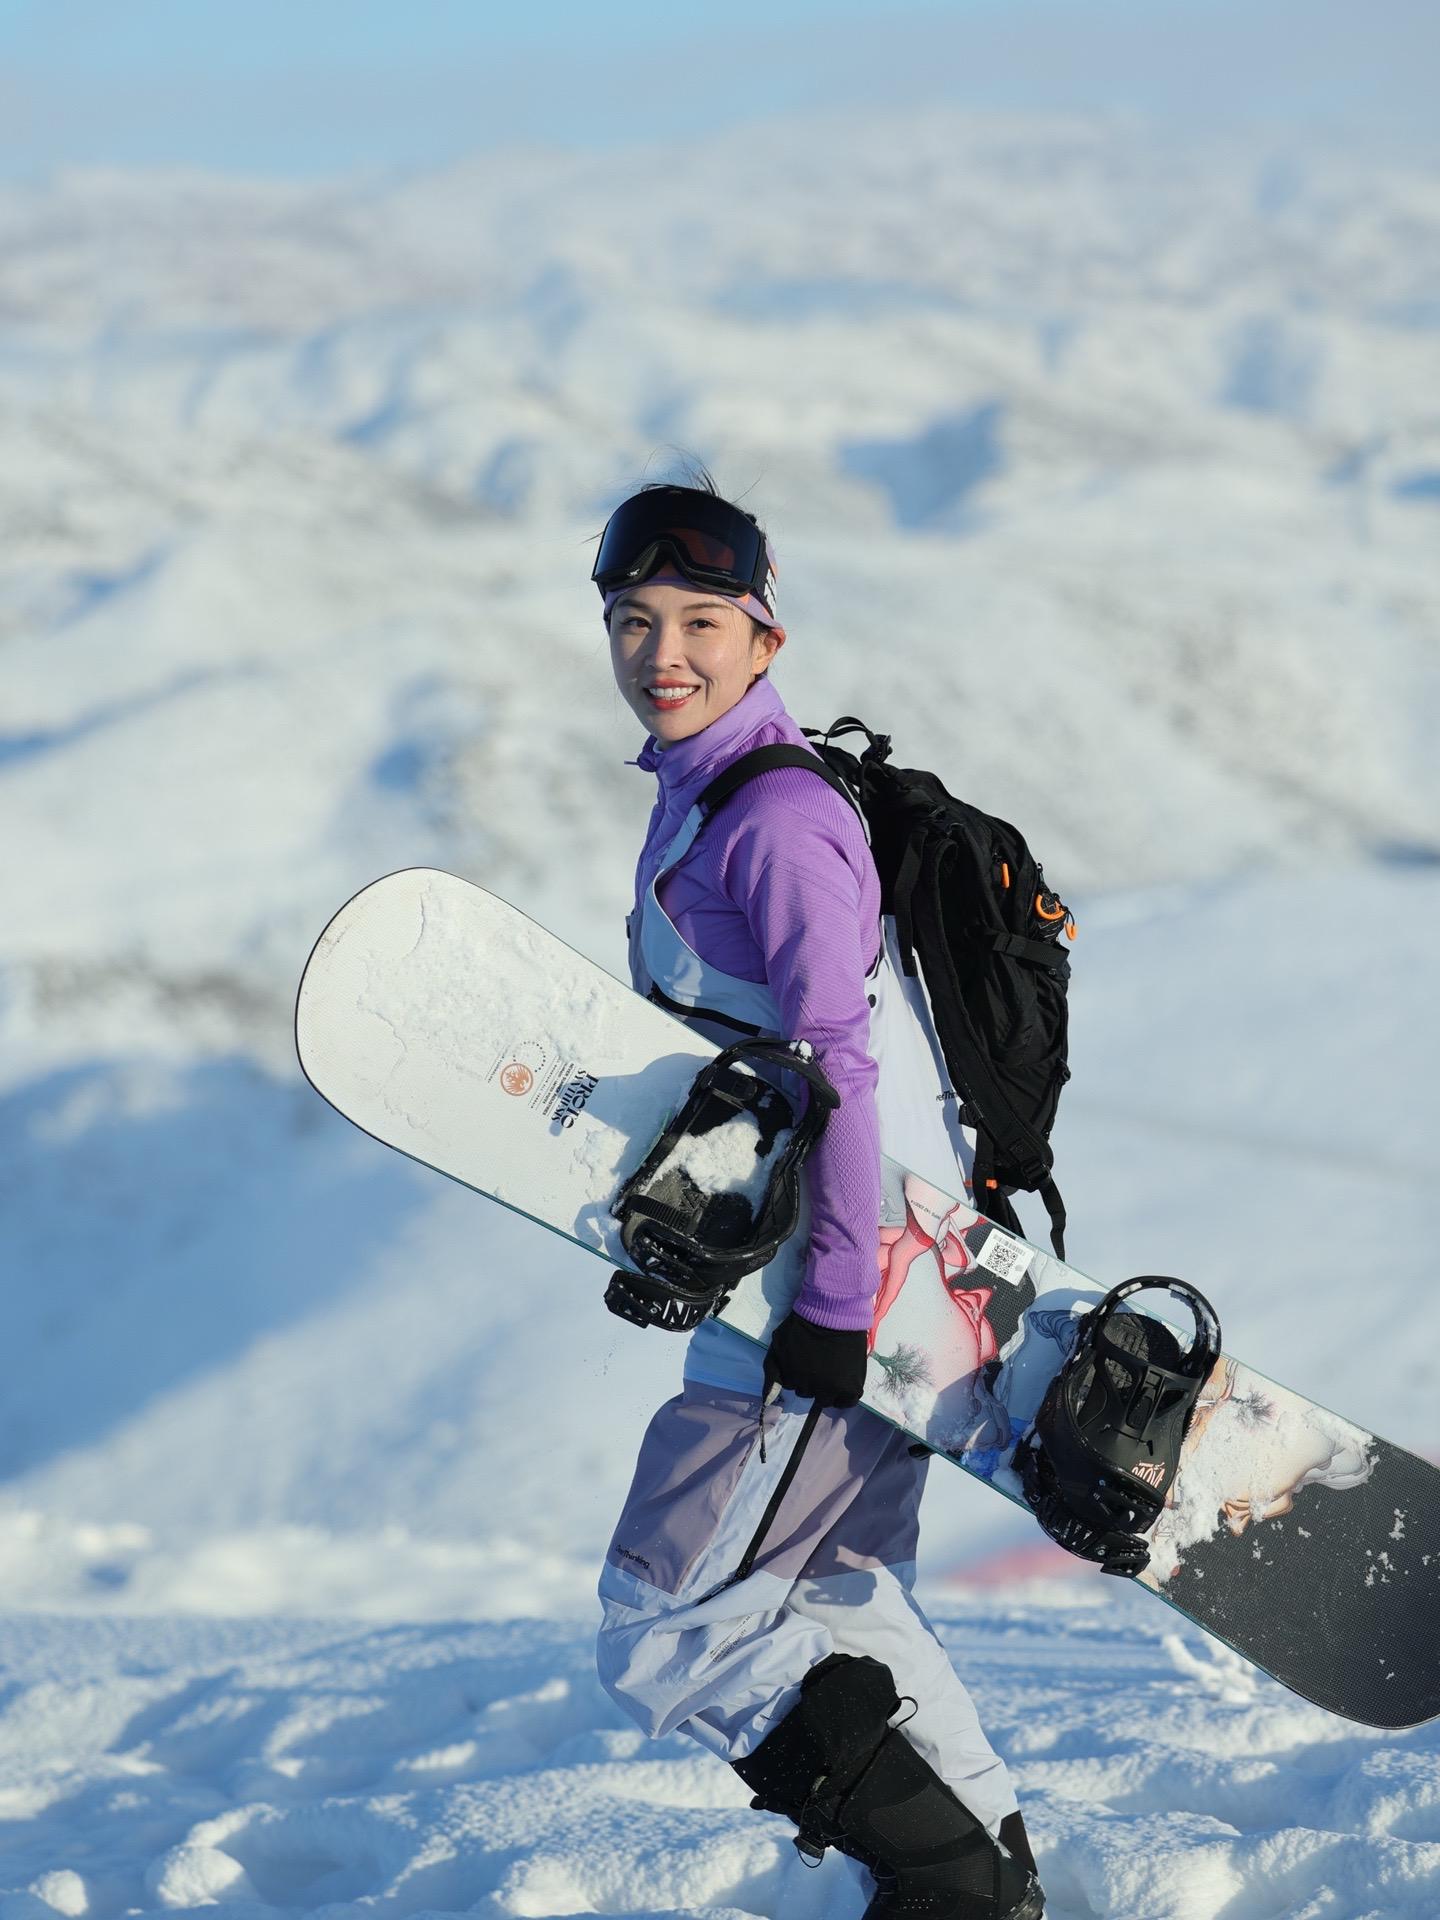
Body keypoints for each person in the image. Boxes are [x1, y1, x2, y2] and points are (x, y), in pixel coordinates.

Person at [592, 472, 1045, 1920]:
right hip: (820, 1267)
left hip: (839, 1285)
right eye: (634, 619)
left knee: (665, 1623)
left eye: (702, 621)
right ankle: (987, 1885)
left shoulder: (772, 819)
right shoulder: (707, 794)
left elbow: (837, 1070)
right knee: (828, 1595)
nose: (664, 653)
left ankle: (956, 1883)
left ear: (766, 638)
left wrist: (837, 1307)